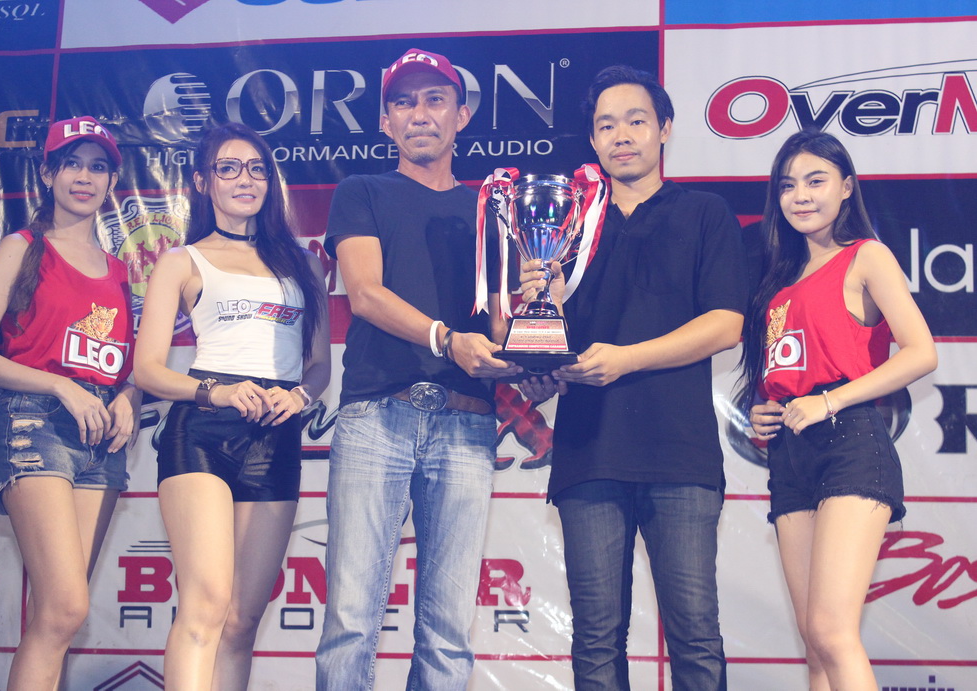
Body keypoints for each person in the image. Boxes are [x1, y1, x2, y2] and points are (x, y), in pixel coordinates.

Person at [518, 65, 747, 689]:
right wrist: (541, 355)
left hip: (680, 453)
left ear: (664, 129)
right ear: (593, 141)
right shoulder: (569, 227)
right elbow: (552, 341)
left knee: (695, 634)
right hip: (588, 452)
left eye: (636, 121)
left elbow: (726, 324)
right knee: (596, 638)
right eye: (606, 125)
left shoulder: (705, 213)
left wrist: (627, 358)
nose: (621, 135)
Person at [314, 48, 519, 690]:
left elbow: (500, 328)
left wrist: (535, 327)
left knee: (449, 631)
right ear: (386, 122)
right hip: (378, 416)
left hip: (468, 422)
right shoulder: (362, 191)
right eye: (403, 102)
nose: (419, 114)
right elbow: (365, 293)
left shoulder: (492, 209)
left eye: (435, 99)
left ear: (461, 115)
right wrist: (446, 339)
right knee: (351, 620)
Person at [133, 121, 330, 690]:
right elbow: (147, 369)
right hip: (202, 429)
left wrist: (297, 395)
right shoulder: (182, 260)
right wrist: (215, 391)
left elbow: (319, 366)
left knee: (242, 621)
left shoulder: (305, 263)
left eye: (257, 168)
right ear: (203, 181)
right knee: (206, 604)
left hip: (276, 435)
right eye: (228, 168)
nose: (246, 179)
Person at [742, 130, 936, 690]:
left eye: (816, 181)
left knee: (832, 631)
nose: (800, 196)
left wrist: (830, 399)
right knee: (814, 643)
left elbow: (922, 352)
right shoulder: (777, 281)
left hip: (850, 442)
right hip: (790, 454)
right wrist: (765, 409)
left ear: (847, 187)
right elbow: (788, 369)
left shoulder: (866, 256)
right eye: (787, 186)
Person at [0, 116, 140, 690]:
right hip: (34, 423)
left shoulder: (120, 271)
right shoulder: (23, 247)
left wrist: (130, 396)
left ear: (111, 181)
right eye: (72, 164)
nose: (84, 177)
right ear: (47, 173)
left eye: (97, 167)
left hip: (101, 440)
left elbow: (123, 365)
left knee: (58, 617)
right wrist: (60, 385)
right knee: (64, 607)